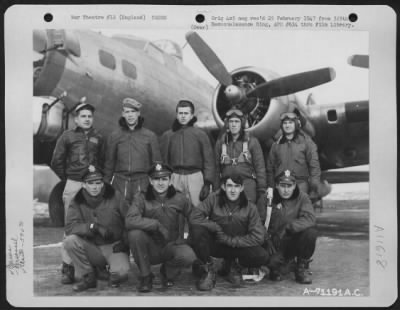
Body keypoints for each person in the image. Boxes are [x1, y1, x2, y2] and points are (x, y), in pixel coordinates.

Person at [50, 101, 105, 284]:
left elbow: (103, 162)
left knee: (93, 225)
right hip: (74, 184)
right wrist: (69, 179)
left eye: (89, 116)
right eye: (83, 116)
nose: (87, 119)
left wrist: (97, 182)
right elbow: (56, 161)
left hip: (93, 187)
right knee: (70, 227)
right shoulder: (67, 136)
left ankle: (95, 266)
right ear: (76, 119)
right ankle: (67, 268)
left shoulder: (99, 137)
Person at [190, 172, 270, 291]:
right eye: (230, 186)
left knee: (262, 255)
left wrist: (232, 241)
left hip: (238, 246)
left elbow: (258, 236)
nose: (233, 190)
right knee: (197, 231)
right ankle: (208, 270)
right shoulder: (213, 199)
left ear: (242, 188)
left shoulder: (249, 206)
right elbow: (194, 217)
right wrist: (214, 227)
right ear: (223, 186)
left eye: (237, 186)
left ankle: (234, 264)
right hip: (218, 243)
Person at [126, 162, 197, 293]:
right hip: (150, 247)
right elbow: (130, 220)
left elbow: (196, 218)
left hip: (171, 245)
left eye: (164, 179)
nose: (160, 183)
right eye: (156, 179)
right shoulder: (141, 197)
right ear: (150, 181)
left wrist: (189, 240)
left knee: (189, 256)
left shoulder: (180, 198)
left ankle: (167, 270)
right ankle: (146, 276)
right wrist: (155, 225)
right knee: (135, 234)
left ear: (170, 181)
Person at [63, 166, 130, 292]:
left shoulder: (115, 196)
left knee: (121, 274)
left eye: (98, 183)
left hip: (114, 246)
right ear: (83, 185)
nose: (95, 187)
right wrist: (93, 227)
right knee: (70, 241)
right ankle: (88, 276)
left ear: (102, 183)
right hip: (92, 247)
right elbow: (70, 227)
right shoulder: (77, 201)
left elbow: (130, 220)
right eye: (90, 183)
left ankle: (104, 269)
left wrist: (125, 242)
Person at [263, 169, 318, 284]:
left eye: (289, 186)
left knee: (310, 233)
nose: (286, 190)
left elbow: (310, 218)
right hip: (274, 243)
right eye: (283, 185)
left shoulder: (302, 197)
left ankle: (301, 268)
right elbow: (256, 221)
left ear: (294, 186)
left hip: (291, 240)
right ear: (277, 185)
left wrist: (289, 227)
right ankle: (281, 265)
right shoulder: (268, 198)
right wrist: (266, 239)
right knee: (272, 264)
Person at [104, 97, 162, 204]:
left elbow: (157, 163)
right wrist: (106, 184)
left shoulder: (150, 136)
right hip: (120, 182)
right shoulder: (114, 136)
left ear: (138, 113)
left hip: (142, 181)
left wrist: (157, 185)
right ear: (123, 114)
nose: (130, 115)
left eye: (133, 111)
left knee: (141, 213)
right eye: (127, 112)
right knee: (120, 214)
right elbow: (109, 163)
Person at [160, 100, 215, 207]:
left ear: (191, 116)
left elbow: (209, 160)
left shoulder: (201, 135)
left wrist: (207, 183)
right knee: (174, 210)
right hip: (175, 177)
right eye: (180, 113)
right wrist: (165, 181)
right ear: (176, 115)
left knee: (197, 210)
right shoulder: (168, 135)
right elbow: (164, 161)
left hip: (195, 177)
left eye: (186, 113)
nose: (183, 116)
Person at [266, 111, 330, 201]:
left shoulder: (306, 142)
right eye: (285, 123)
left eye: (290, 123)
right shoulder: (276, 145)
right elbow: (270, 166)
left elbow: (313, 163)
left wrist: (315, 183)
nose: (287, 125)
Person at [215, 108, 267, 204]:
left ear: (242, 123)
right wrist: (216, 189)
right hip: (228, 186)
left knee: (248, 213)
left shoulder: (252, 142)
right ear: (227, 124)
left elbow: (260, 168)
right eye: (231, 121)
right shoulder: (220, 143)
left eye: (236, 121)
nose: (233, 124)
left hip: (247, 185)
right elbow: (216, 169)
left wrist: (262, 189)